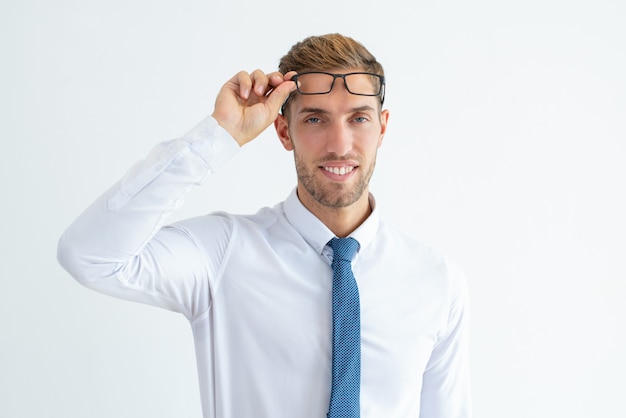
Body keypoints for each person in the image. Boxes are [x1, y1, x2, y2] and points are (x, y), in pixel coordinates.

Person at [57, 33, 471, 418]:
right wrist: (219, 137)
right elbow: (90, 256)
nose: (340, 144)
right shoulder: (223, 254)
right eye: (314, 119)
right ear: (282, 129)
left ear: (382, 127)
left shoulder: (436, 280)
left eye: (358, 118)